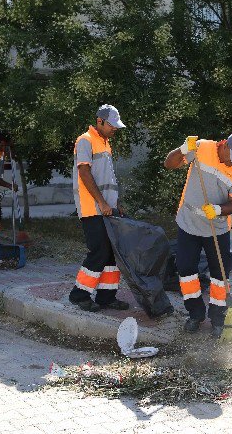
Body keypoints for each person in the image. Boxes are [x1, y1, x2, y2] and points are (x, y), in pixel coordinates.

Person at [164, 131, 232, 338]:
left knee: (220, 274)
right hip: (189, 223)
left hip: (217, 227)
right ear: (224, 146)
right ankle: (195, 314)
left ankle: (218, 317)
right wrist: (184, 149)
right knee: (185, 270)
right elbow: (169, 164)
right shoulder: (201, 148)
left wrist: (219, 210)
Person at [68, 104, 130, 312]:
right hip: (92, 208)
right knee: (99, 251)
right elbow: (84, 173)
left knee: (111, 253)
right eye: (111, 125)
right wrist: (102, 203)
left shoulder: (104, 143)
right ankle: (79, 294)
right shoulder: (85, 140)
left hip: (106, 208)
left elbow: (107, 179)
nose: (115, 129)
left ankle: (107, 297)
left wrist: (114, 204)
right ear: (99, 121)